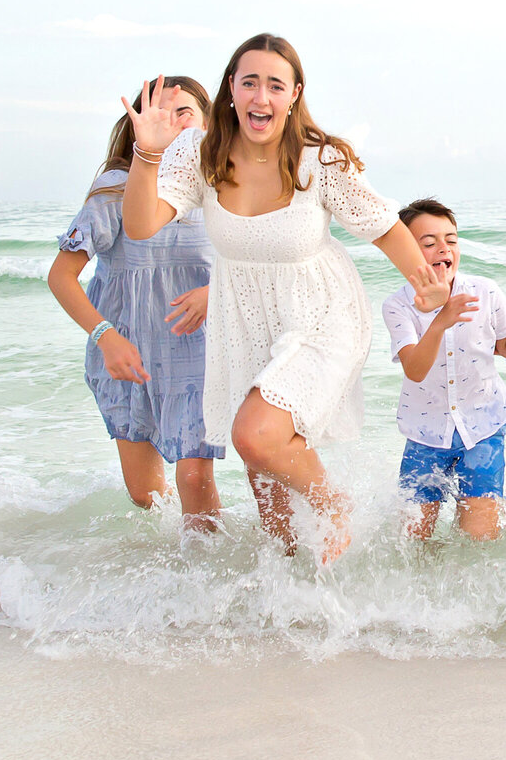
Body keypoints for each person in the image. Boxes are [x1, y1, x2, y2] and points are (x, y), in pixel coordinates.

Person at [120, 34, 448, 561]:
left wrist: (423, 282)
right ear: (231, 89)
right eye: (249, 82)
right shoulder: (199, 154)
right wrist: (147, 153)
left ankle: (336, 506)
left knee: (255, 435)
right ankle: (301, 606)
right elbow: (139, 225)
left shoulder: (319, 161)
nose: (261, 97)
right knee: (269, 499)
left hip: (321, 313)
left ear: (294, 94)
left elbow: (382, 226)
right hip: (244, 320)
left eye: (275, 84)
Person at [47, 75, 223, 532]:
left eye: (183, 111)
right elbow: (61, 276)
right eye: (158, 111)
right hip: (125, 354)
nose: (170, 120)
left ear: (207, 122)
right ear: (136, 123)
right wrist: (106, 338)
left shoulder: (221, 184)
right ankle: (162, 579)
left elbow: (257, 259)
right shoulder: (115, 188)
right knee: (145, 494)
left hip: (196, 351)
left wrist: (214, 291)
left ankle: (209, 583)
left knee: (193, 474)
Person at [383, 198, 506, 541]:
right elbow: (414, 368)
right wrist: (441, 321)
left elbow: (505, 346)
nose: (444, 248)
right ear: (407, 251)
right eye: (429, 243)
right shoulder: (397, 306)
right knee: (413, 540)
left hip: (483, 425)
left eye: (451, 240)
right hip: (425, 433)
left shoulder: (485, 291)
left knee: (480, 538)